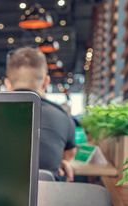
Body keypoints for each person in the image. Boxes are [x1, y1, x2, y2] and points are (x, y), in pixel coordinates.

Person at [5, 47, 76, 181]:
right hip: (47, 198)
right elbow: (67, 155)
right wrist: (54, 162)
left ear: (7, 83)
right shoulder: (63, 117)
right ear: (46, 82)